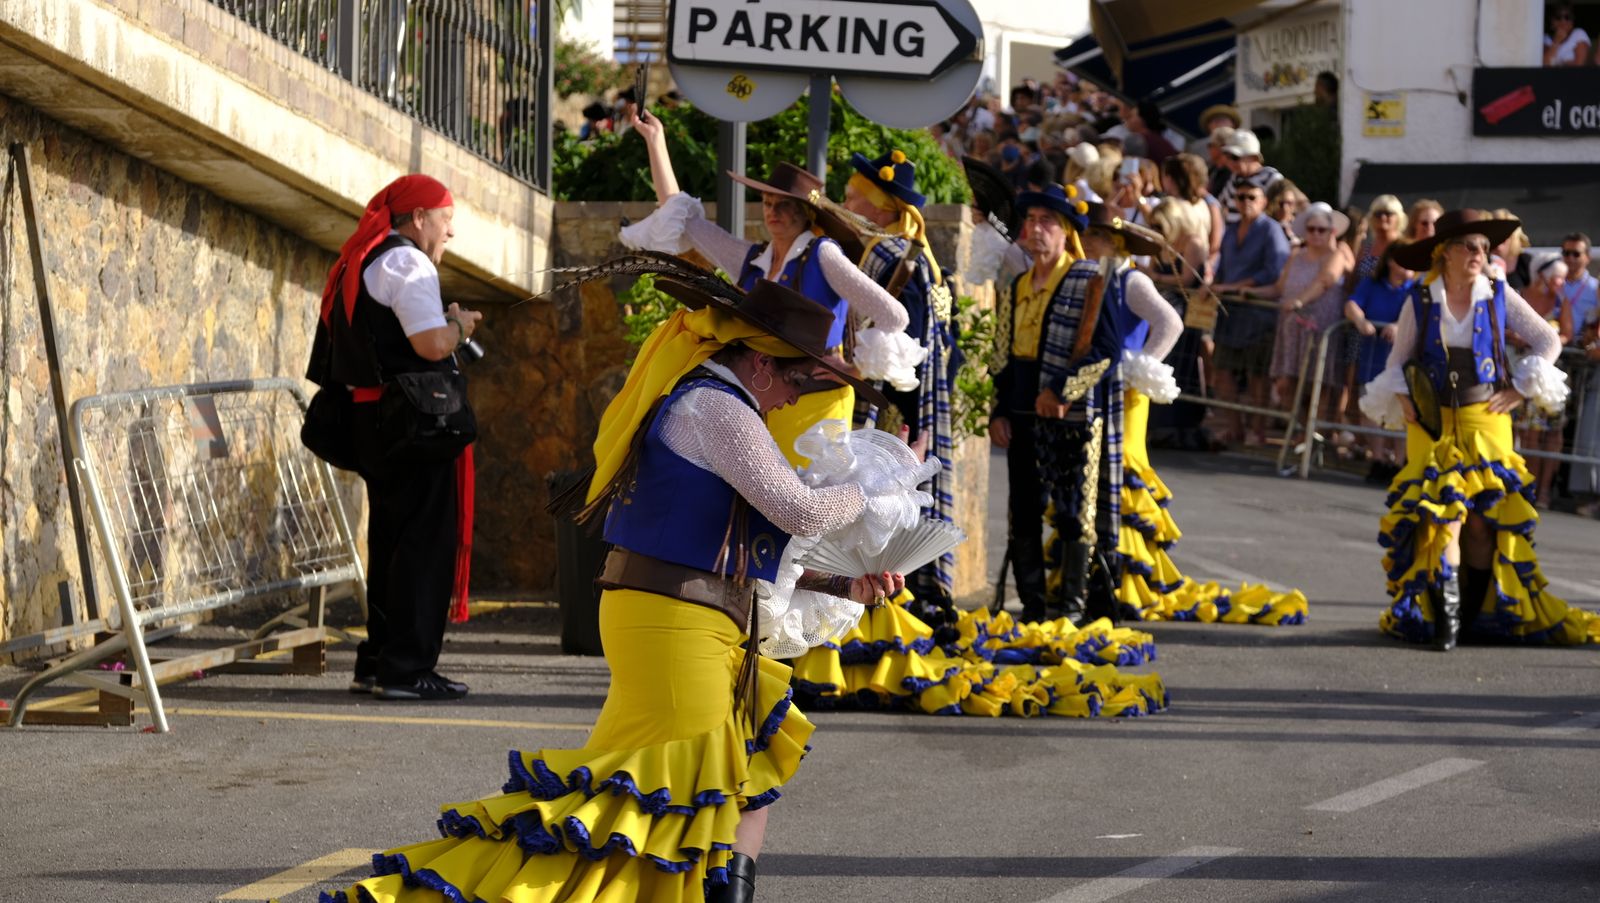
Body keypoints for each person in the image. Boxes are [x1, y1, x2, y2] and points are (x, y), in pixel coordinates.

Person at [622, 106, 923, 467]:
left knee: (803, 503)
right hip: (759, 399)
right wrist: (656, 142)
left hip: (817, 402)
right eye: (767, 203)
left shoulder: (822, 254)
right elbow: (680, 214)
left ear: (805, 214)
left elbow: (894, 315)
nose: (772, 212)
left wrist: (854, 369)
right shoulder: (752, 260)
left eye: (784, 206)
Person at [1359, 210, 1597, 650]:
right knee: (1442, 518)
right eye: (1469, 246)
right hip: (1432, 426)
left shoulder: (1499, 295)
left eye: (1485, 248)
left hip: (1486, 421)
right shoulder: (1420, 299)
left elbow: (1549, 339)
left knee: (1484, 524)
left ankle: (1473, 617)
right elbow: (1398, 362)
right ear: (1444, 253)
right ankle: (1446, 625)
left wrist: (1522, 389)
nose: (1479, 254)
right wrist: (1405, 398)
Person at [305, 174, 481, 702]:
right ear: (420, 218)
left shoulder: (364, 257)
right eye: (446, 221)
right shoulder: (408, 261)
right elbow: (429, 345)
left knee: (391, 543)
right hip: (411, 427)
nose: (450, 234)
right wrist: (461, 328)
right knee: (424, 546)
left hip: (372, 423)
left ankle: (379, 662)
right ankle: (407, 669)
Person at [837, 148, 963, 619]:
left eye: (853, 198)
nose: (846, 205)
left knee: (883, 505)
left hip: (889, 405)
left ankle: (886, 612)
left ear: (881, 208)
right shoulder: (922, 259)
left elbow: (892, 347)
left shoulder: (889, 254)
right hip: (920, 399)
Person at [1210, 176, 1291, 447]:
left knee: (1258, 376)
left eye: (1251, 197)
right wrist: (1213, 285)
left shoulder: (1271, 230)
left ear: (1264, 201)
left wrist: (1235, 286)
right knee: (1222, 370)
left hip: (1259, 313)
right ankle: (1235, 427)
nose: (1245, 203)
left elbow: (1274, 271)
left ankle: (1257, 431)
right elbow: (1222, 267)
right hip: (1230, 311)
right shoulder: (1231, 230)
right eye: (1240, 197)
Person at [1262, 202, 1352, 444]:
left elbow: (1326, 281)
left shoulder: (1337, 255)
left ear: (1331, 232)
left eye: (1322, 230)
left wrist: (1299, 301)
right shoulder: (1296, 256)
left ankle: (1316, 435)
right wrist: (1244, 291)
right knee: (1285, 383)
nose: (1315, 234)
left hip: (1322, 328)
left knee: (1319, 384)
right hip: (1292, 329)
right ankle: (1303, 429)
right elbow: (1278, 288)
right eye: (1311, 229)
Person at [1345, 239, 1416, 483]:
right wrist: (1361, 320)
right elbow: (1352, 304)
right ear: (1390, 261)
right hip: (1374, 357)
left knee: (1402, 410)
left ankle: (1399, 461)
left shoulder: (1416, 289)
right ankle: (1377, 458)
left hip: (1402, 362)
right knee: (1372, 409)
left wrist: (1399, 327)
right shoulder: (1372, 284)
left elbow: (1420, 316)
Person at [1513, 252, 1575, 508]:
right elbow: (1506, 325)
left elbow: (1567, 334)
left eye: (1562, 279)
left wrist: (1548, 343)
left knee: (1551, 435)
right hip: (1522, 369)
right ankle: (1525, 485)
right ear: (1542, 276)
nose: (1560, 283)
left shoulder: (1562, 301)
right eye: (1556, 278)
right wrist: (1520, 338)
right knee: (1527, 433)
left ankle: (1544, 490)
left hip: (1550, 376)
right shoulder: (1521, 296)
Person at [1215, 130, 1283, 224]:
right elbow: (1220, 206)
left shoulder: (1272, 178)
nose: (1230, 162)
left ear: (1254, 157)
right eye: (1228, 157)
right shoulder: (1234, 178)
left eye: (1235, 157)